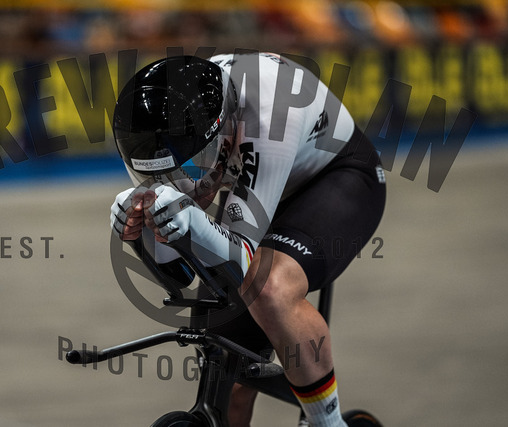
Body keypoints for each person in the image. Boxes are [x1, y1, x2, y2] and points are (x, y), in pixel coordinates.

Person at [110, 53, 386, 427]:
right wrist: (143, 229)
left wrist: (190, 221)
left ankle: (329, 423)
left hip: (338, 177)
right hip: (260, 179)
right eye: (164, 176)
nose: (183, 186)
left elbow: (239, 257)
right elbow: (179, 275)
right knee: (231, 372)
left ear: (224, 134)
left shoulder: (271, 115)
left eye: (190, 166)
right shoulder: (187, 117)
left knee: (270, 289)